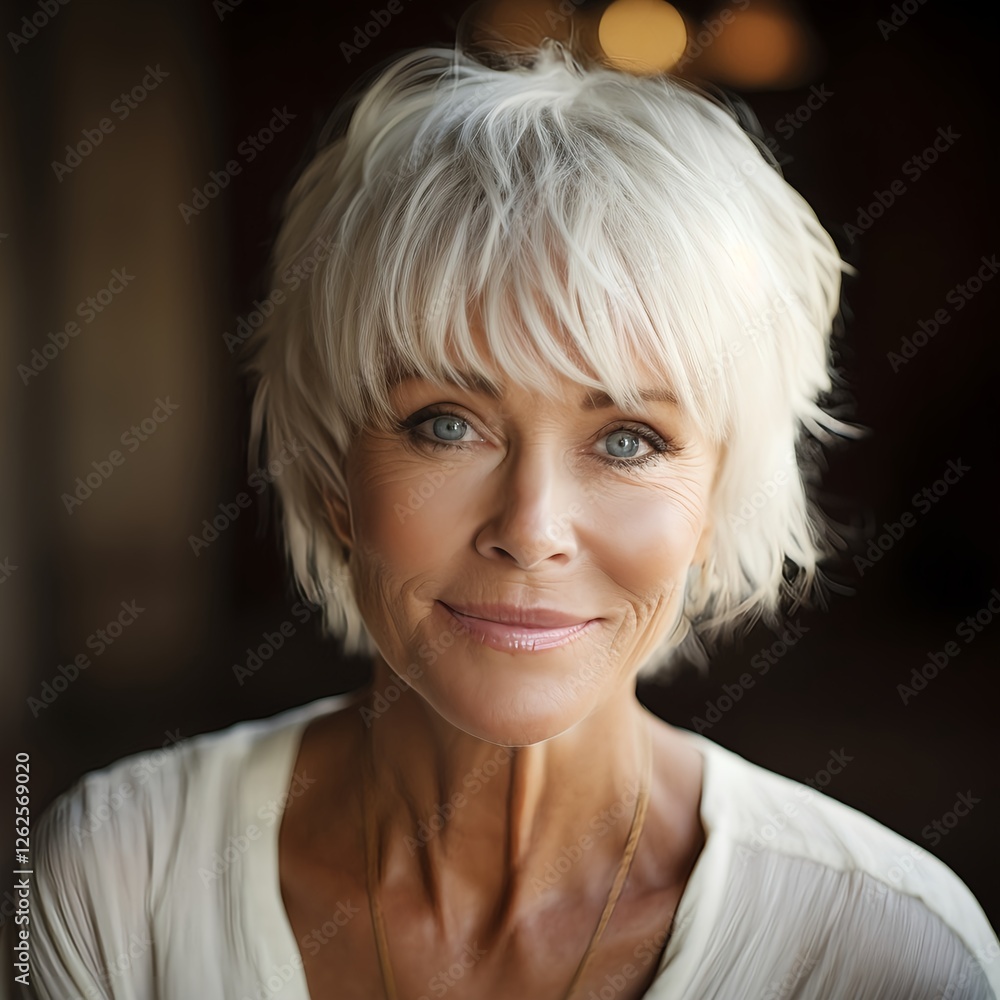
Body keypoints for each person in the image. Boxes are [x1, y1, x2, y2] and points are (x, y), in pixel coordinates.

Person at [4, 35, 999, 1000]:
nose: (530, 528)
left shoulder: (886, 948)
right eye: (446, 423)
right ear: (329, 478)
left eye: (626, 439)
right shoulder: (118, 881)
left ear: (714, 501)